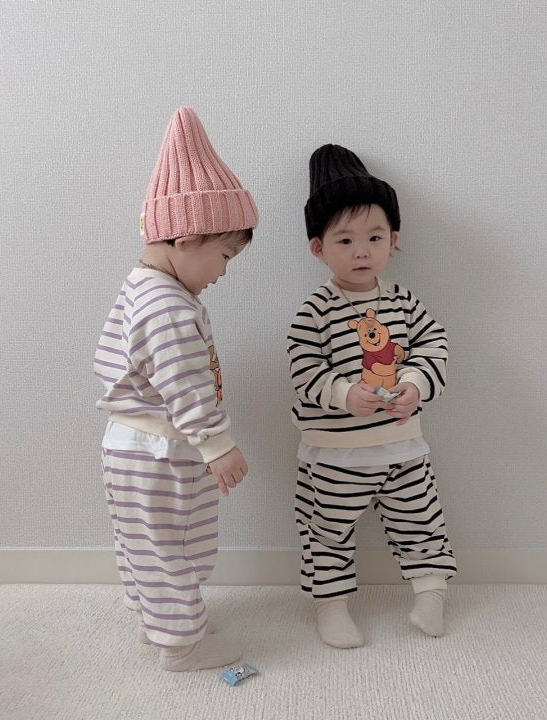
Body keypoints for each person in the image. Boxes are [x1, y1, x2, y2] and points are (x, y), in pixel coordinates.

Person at [94, 107, 258, 671]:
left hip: (134, 448)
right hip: (160, 451)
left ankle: (158, 621)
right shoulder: (166, 306)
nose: (224, 271)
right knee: (176, 544)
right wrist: (217, 444)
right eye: (225, 255)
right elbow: (184, 382)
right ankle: (182, 644)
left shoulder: (144, 289)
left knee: (148, 544)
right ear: (187, 238)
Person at [286, 144, 457, 648]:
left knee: (421, 519)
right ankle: (331, 605)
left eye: (374, 237)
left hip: (402, 447)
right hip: (336, 454)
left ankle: (431, 594)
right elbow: (302, 368)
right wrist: (343, 393)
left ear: (393, 241)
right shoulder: (314, 311)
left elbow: (435, 344)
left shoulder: (403, 302)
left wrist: (416, 384)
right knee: (328, 531)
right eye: (345, 240)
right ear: (318, 248)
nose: (361, 251)